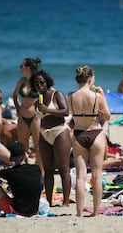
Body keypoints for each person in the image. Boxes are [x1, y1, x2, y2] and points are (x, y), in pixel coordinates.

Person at [68, 66, 111, 217]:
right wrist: (102, 96)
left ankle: (79, 212)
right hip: (95, 133)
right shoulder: (97, 96)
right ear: (90, 79)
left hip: (79, 134)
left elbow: (70, 115)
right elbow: (108, 117)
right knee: (97, 175)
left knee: (80, 176)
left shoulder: (71, 96)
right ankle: (95, 212)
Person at [31, 70, 72, 207]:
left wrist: (48, 110)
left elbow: (65, 111)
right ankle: (48, 201)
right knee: (47, 170)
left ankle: (65, 202)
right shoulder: (38, 100)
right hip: (44, 133)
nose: (39, 85)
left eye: (41, 82)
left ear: (47, 82)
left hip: (59, 132)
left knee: (63, 169)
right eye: (36, 84)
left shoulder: (57, 94)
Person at [12, 58, 43, 176]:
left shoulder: (38, 81)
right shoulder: (21, 81)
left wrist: (41, 109)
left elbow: (45, 95)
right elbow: (14, 96)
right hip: (22, 117)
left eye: (22, 65)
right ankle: (24, 172)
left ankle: (41, 173)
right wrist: (17, 109)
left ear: (28, 68)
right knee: (23, 147)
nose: (20, 67)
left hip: (35, 117)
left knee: (38, 147)